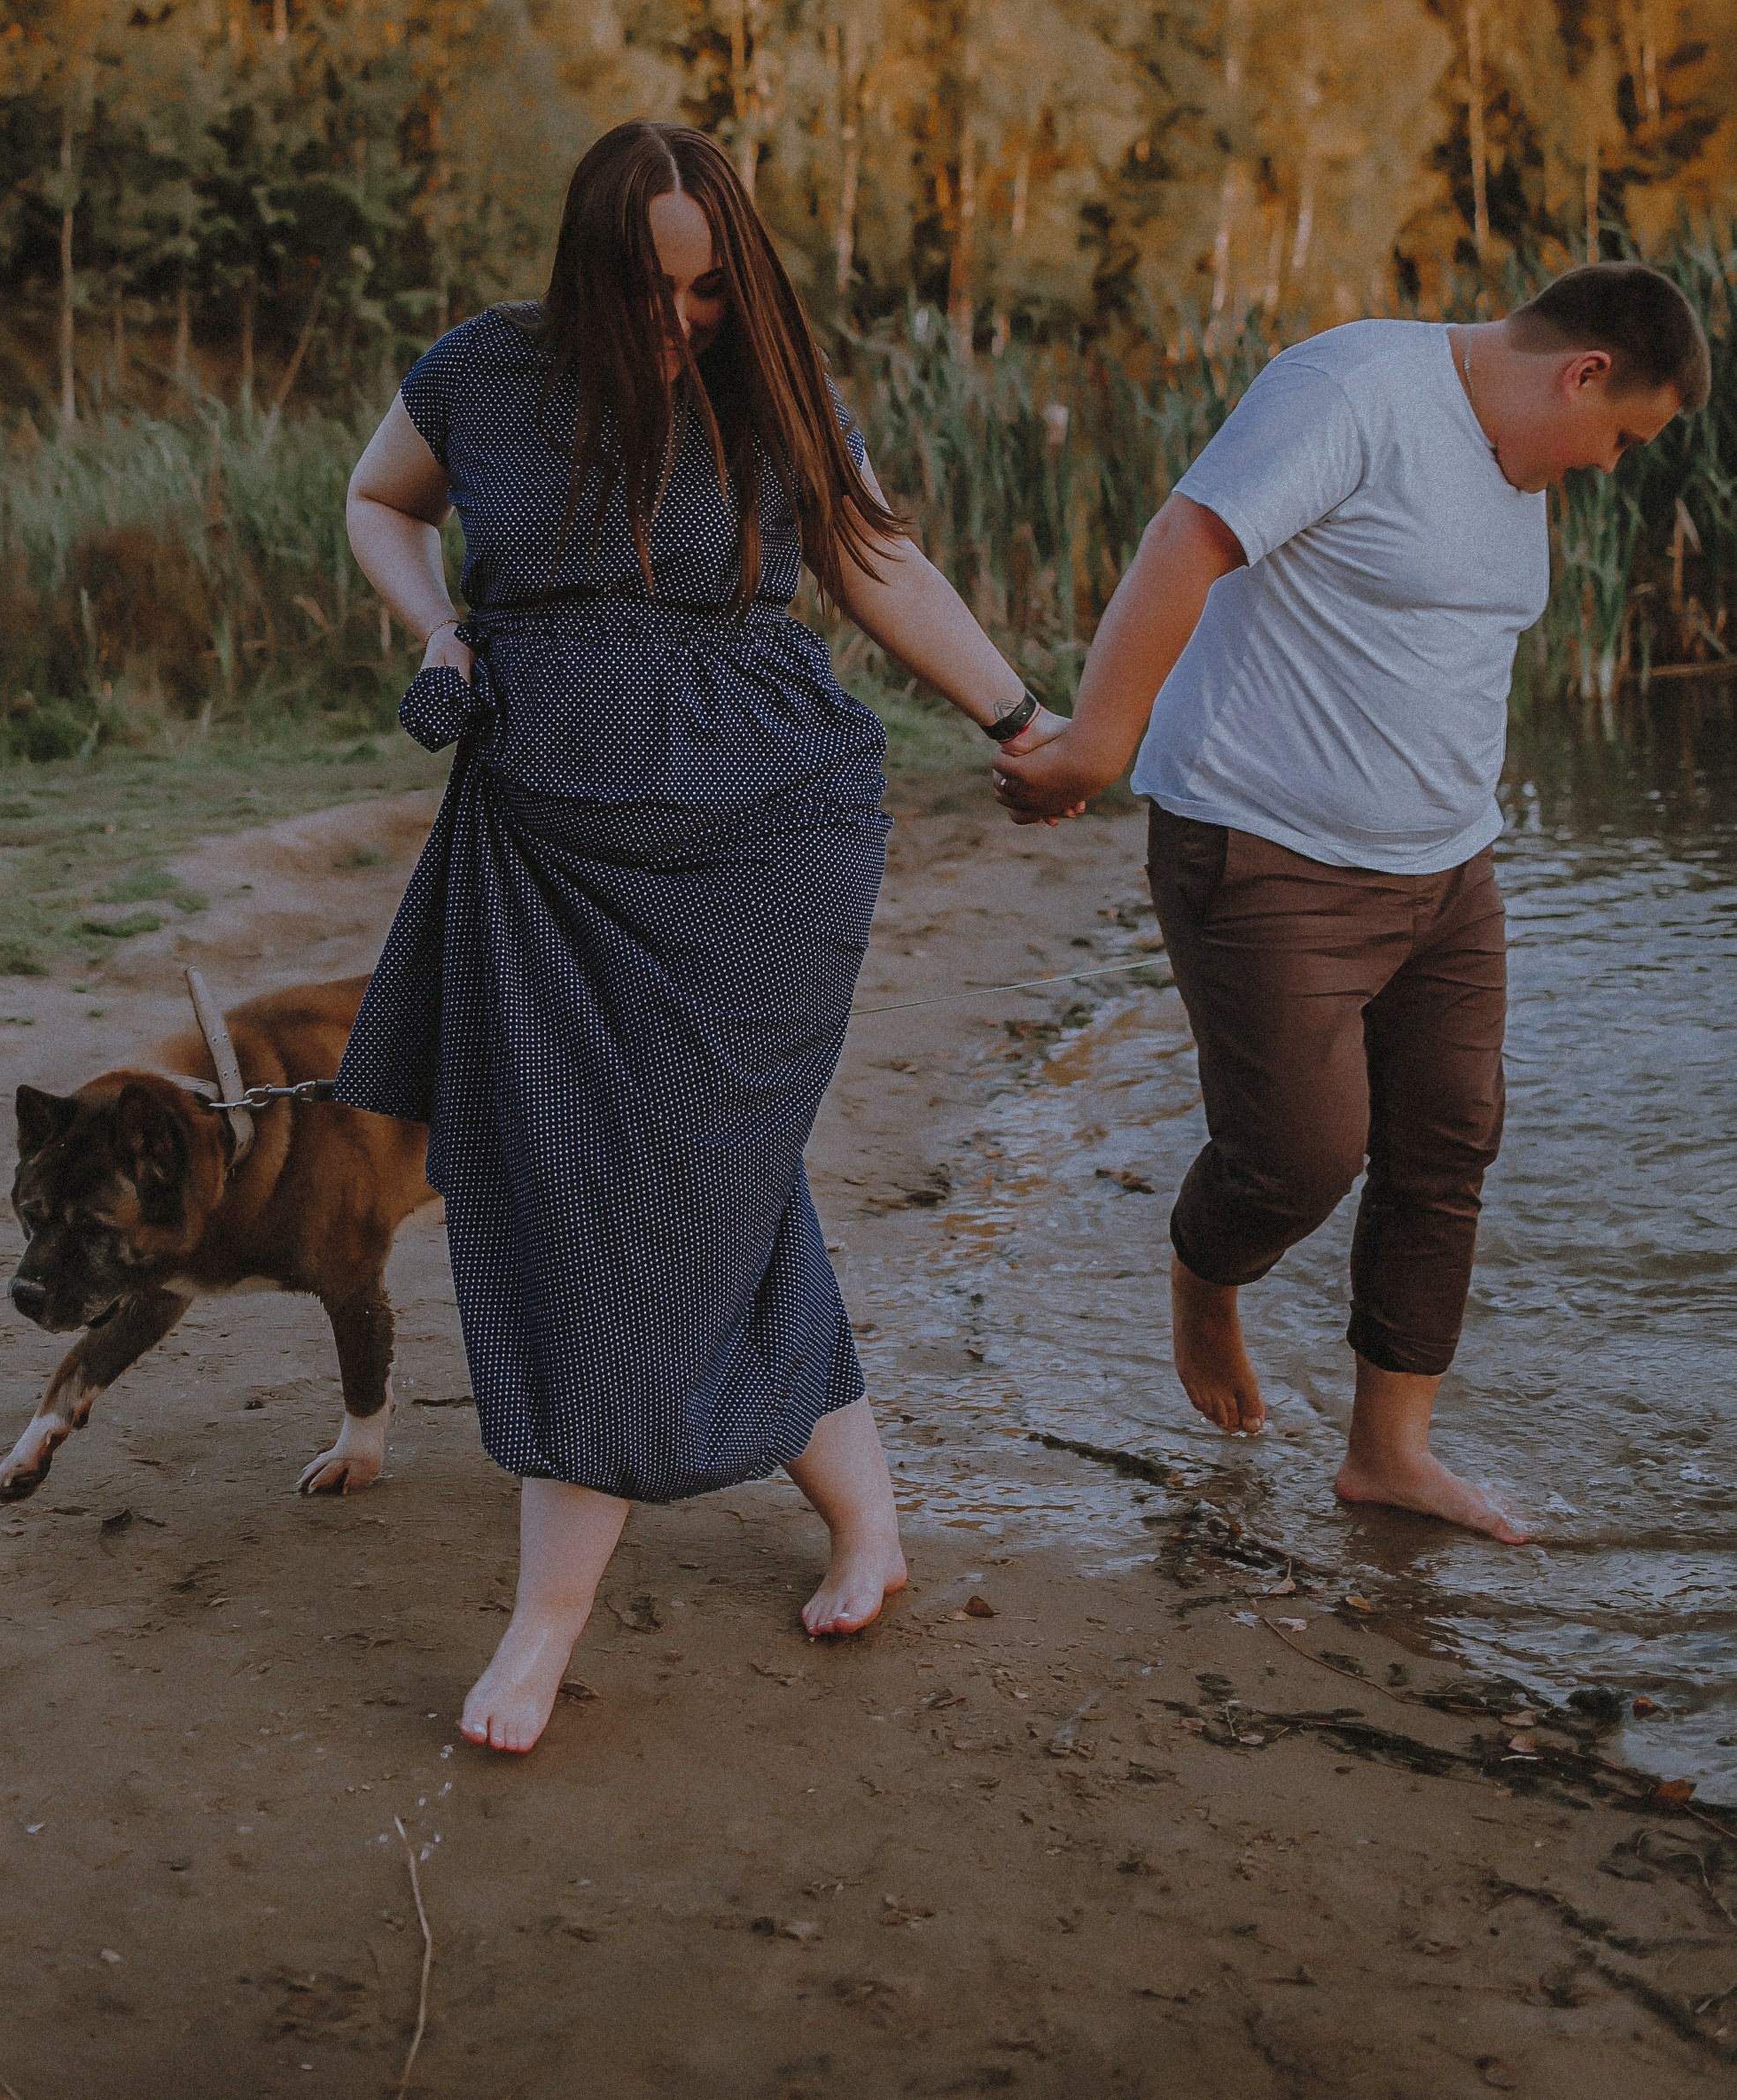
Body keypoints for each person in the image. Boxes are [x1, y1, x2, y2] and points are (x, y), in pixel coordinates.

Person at [333, 121, 1063, 1754]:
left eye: (713, 292)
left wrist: (1024, 719)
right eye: (650, 292)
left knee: (653, 1199)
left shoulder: (777, 395)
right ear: (588, 268)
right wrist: (441, 619)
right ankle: (868, 1520)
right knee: (674, 1188)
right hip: (546, 840)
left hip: (761, 848)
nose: (680, 328)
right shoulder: (482, 372)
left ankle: (547, 1623)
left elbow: (882, 568)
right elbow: (380, 504)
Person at [994, 264, 1710, 1541]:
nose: (1604, 465)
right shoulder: (1352, 389)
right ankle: (1205, 1274)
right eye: (1617, 437)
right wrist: (1097, 741)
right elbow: (1187, 539)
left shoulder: (1514, 460)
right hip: (1266, 853)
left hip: (1447, 869)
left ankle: (1387, 1453)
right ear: (1581, 373)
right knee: (1298, 1160)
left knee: (1446, 1146)